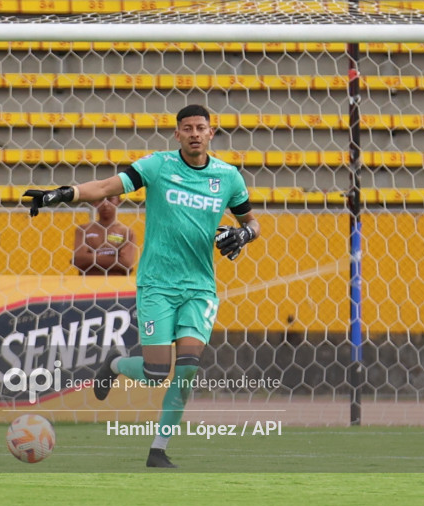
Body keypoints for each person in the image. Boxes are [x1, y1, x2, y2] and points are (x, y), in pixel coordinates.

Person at [23, 104, 261, 468]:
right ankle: (116, 365)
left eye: (201, 127)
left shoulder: (228, 177)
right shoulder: (158, 166)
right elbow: (104, 186)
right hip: (157, 285)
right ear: (177, 134)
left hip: (200, 288)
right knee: (154, 373)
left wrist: (243, 234)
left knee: (187, 369)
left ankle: (158, 451)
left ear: (212, 133)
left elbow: (253, 223)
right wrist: (62, 193)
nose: (194, 133)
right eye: (187, 128)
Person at [72, 195, 137, 275]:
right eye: (101, 200)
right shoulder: (83, 230)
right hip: (89, 283)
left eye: (110, 199)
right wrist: (115, 259)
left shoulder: (127, 232)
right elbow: (79, 260)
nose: (105, 204)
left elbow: (126, 263)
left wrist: (90, 257)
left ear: (118, 201)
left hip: (117, 284)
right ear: (94, 202)